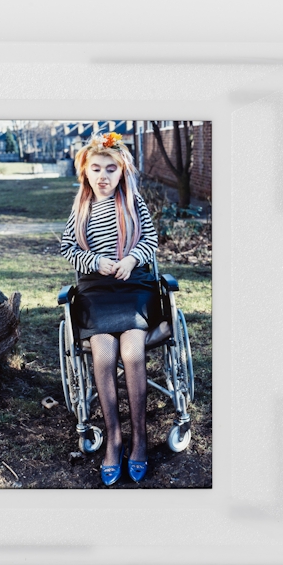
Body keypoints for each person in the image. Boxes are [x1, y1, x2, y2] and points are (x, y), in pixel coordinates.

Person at [59, 132, 168, 486]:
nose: (103, 176)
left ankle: (139, 439)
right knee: (103, 356)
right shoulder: (80, 209)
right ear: (85, 172)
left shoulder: (134, 204)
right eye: (96, 169)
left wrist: (132, 257)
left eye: (111, 169)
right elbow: (68, 249)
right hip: (97, 290)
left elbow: (150, 241)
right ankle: (114, 438)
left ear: (122, 172)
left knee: (132, 351)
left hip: (133, 286)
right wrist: (95, 260)